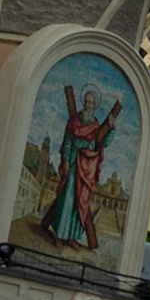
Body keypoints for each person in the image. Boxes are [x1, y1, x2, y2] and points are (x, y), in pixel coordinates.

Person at [40, 84, 122, 251]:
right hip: (73, 163)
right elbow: (68, 141)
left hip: (87, 167)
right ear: (83, 102)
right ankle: (60, 236)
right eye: (86, 101)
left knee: (82, 202)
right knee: (68, 200)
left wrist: (111, 128)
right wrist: (66, 161)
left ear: (95, 105)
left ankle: (72, 236)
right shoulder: (75, 121)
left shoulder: (97, 125)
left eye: (91, 103)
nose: (88, 105)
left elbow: (103, 143)